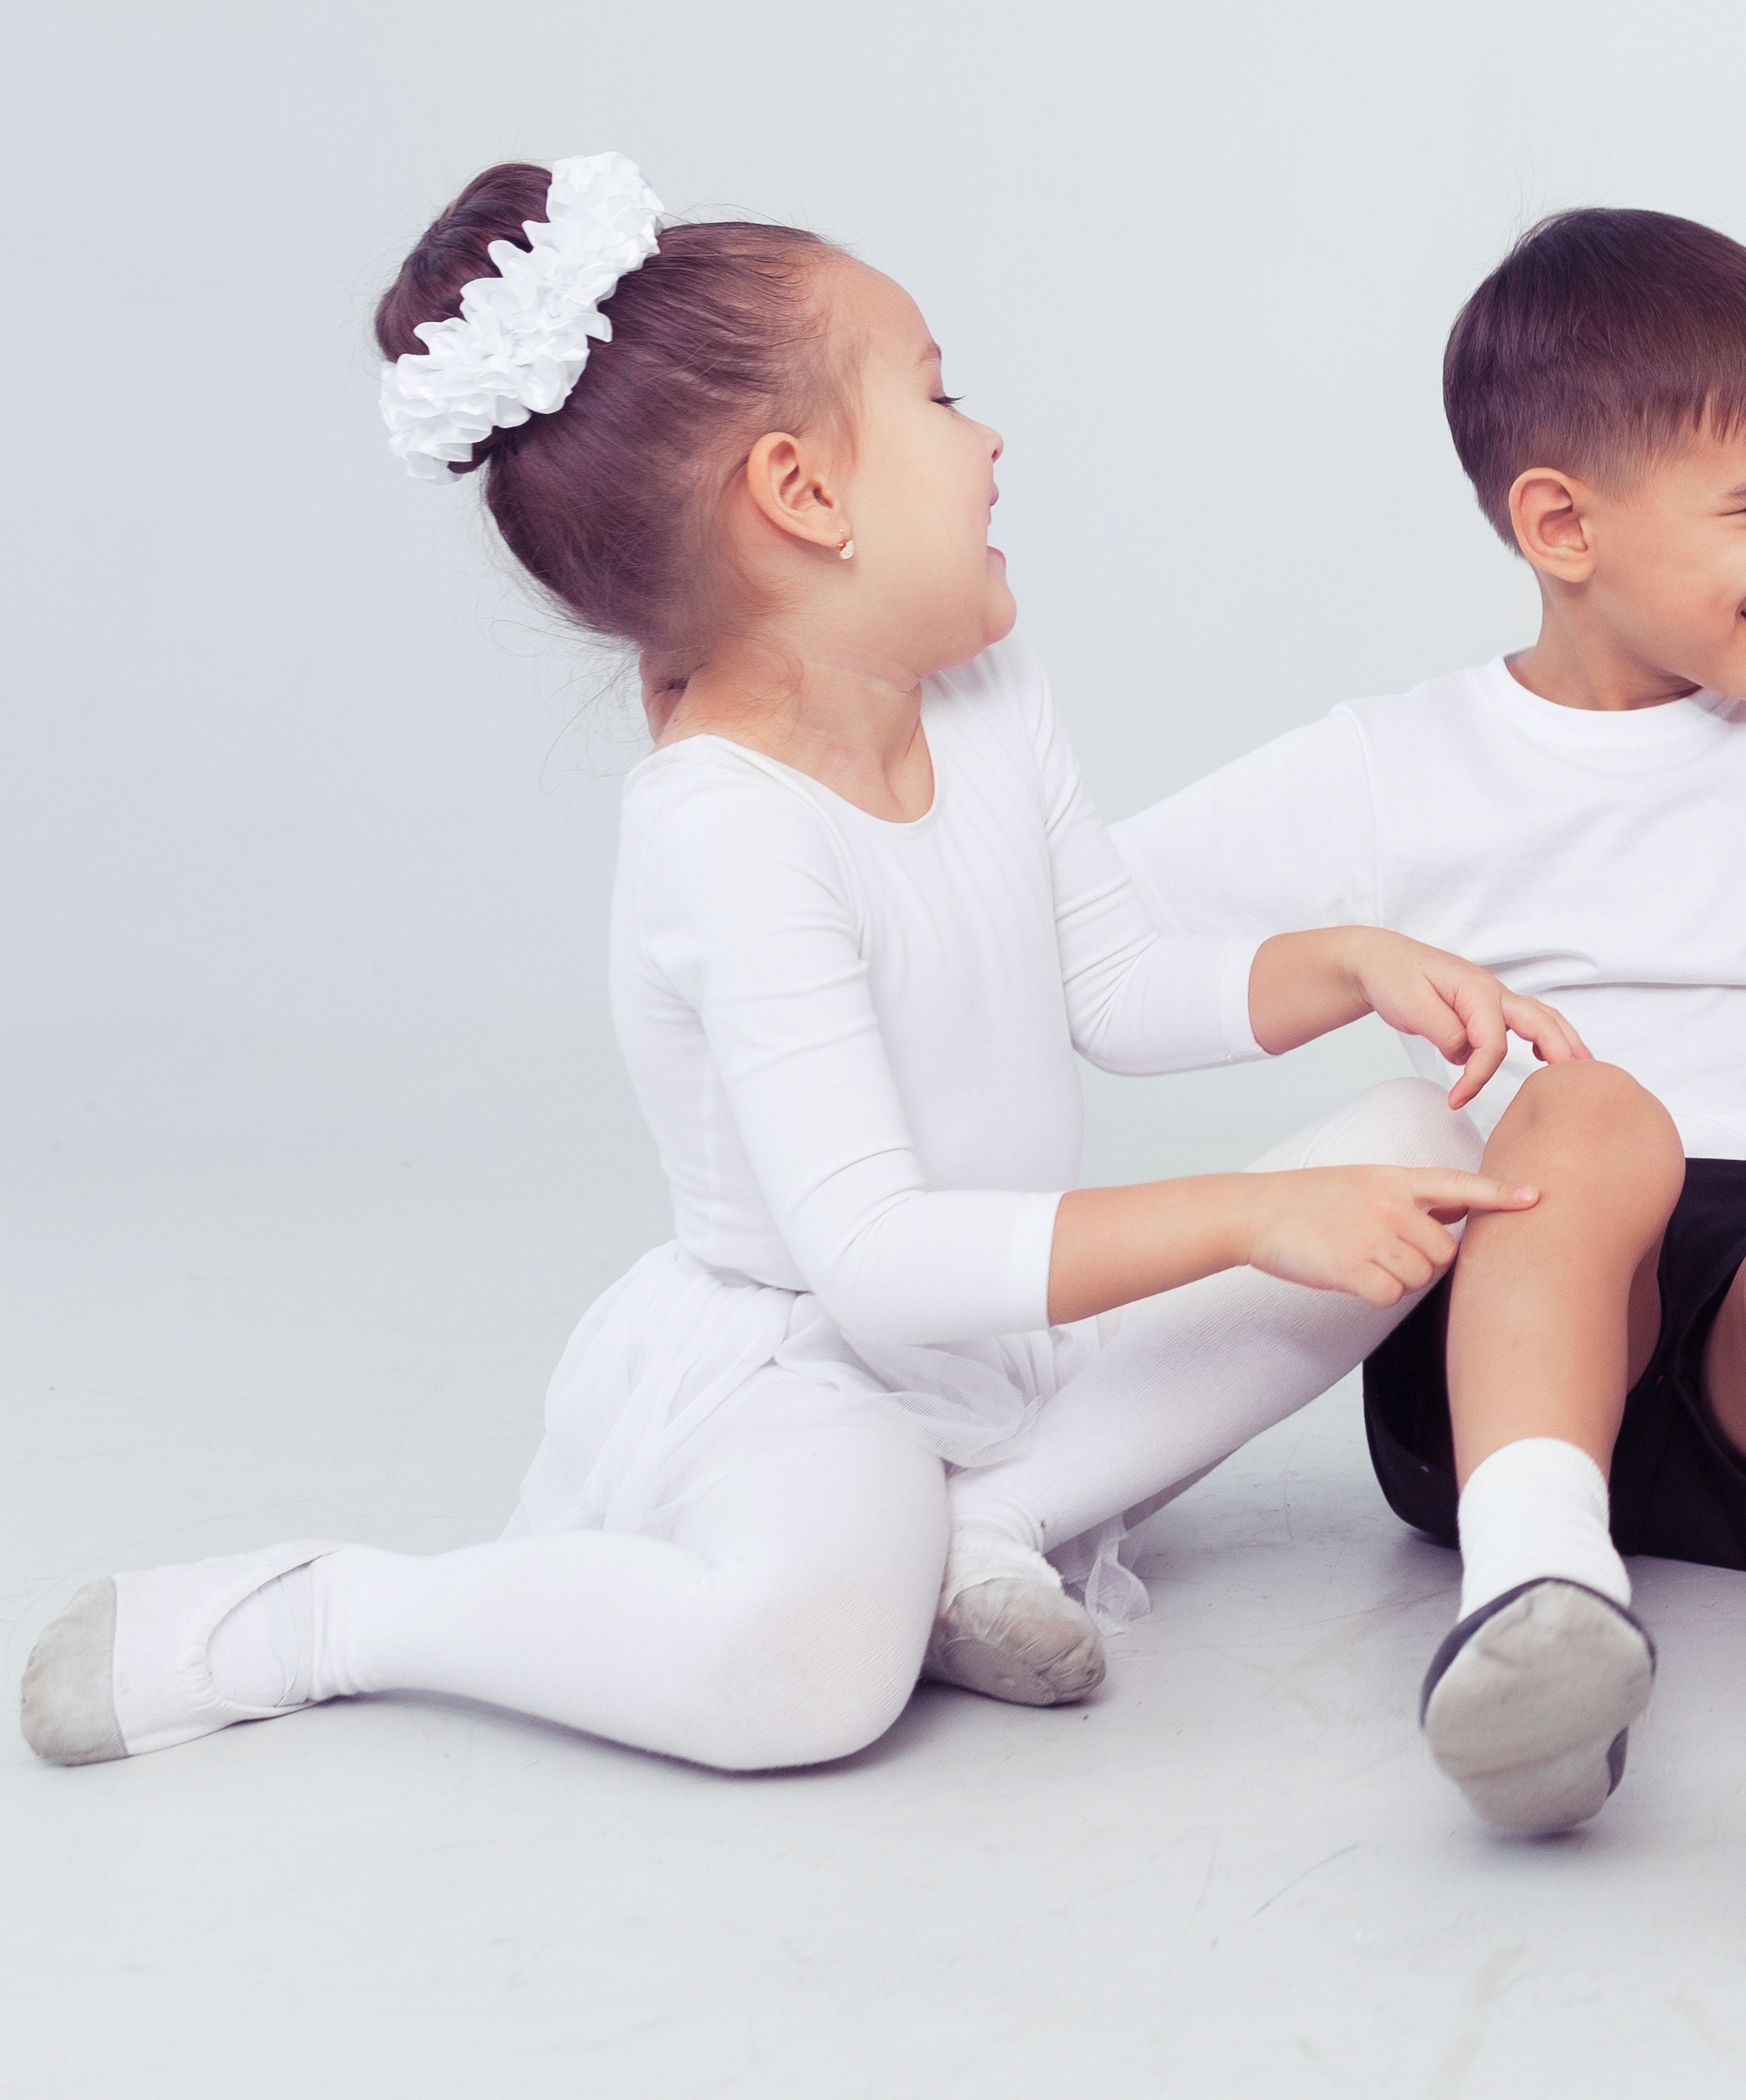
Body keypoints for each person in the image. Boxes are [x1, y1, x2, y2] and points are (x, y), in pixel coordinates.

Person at [20, 156, 1560, 1776]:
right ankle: (341, 1613)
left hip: (1020, 1333)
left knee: (1422, 1155)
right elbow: (877, 1261)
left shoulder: (981, 681)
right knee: (806, 1672)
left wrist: (1354, 962)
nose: (990, 438)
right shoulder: (726, 829)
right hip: (818, 1366)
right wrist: (1255, 1216)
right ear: (804, 495)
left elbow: (1107, 980)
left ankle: (993, 1525)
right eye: (938, 395)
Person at [1118, 207, 1746, 1871]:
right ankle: (1535, 1598)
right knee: (1591, 1114)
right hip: (1521, 1348)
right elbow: (1101, 929)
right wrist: (1346, 961)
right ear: (1561, 523)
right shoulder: (1401, 759)